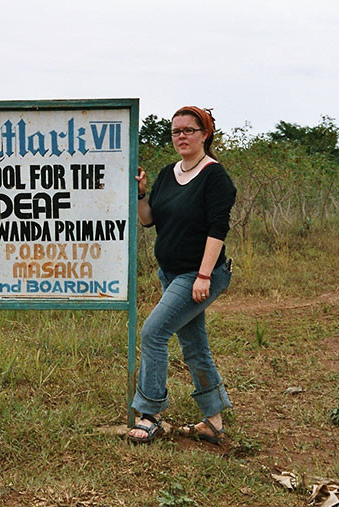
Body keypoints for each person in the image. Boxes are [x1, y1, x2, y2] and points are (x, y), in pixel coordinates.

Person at [128, 106, 236, 445]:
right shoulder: (167, 173)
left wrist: (203, 276)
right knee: (194, 344)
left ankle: (150, 414)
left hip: (199, 274)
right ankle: (214, 422)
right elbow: (147, 220)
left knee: (153, 333)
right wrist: (142, 192)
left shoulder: (214, 176)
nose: (182, 137)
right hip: (171, 273)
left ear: (205, 134)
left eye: (189, 130)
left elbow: (218, 230)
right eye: (176, 132)